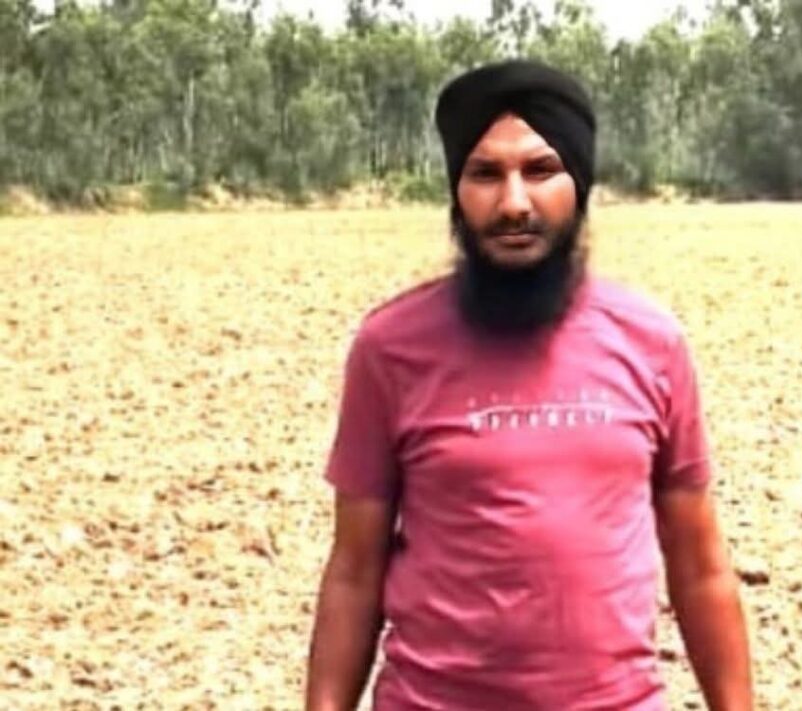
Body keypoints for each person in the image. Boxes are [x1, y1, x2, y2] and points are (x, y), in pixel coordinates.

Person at [305, 60, 753, 711]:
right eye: (486, 174)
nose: (514, 203)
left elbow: (699, 564)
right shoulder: (390, 348)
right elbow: (353, 571)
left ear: (581, 186)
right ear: (456, 192)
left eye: (540, 171)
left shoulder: (651, 342)